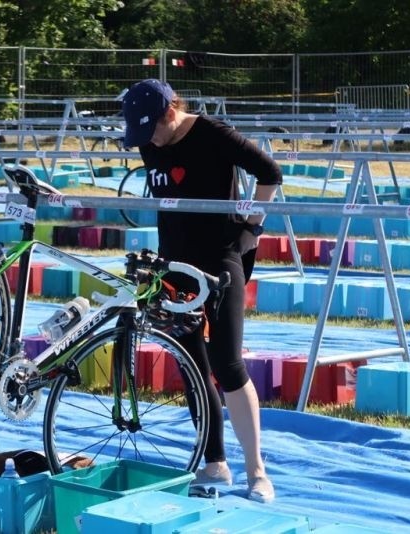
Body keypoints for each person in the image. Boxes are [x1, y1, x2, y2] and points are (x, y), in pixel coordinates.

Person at [121, 78, 281, 503]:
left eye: (151, 129)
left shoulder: (213, 133)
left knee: (227, 364)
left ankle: (257, 471)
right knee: (191, 364)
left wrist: (252, 228)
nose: (148, 141)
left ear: (171, 111)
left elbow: (270, 172)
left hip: (220, 259)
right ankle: (215, 461)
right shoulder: (149, 140)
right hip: (174, 265)